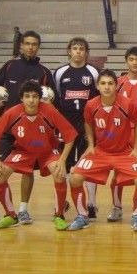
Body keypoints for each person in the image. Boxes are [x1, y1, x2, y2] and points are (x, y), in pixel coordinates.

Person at [0, 30, 59, 226]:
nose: (31, 47)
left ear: (38, 47)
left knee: (28, 170)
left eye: (34, 44)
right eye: (27, 43)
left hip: (31, 130)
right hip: (7, 129)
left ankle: (23, 210)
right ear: (22, 45)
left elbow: (54, 99)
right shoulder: (10, 66)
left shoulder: (43, 72)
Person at [67, 69, 137, 231]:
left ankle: (136, 216)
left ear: (116, 86)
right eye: (103, 83)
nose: (107, 87)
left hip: (124, 152)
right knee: (75, 178)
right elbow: (88, 123)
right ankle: (82, 216)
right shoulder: (91, 105)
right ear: (97, 86)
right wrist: (90, 145)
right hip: (101, 152)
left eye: (110, 83)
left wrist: (136, 148)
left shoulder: (127, 104)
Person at [0, 81, 77, 230]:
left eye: (35, 96)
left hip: (48, 151)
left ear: (39, 98)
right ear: (21, 98)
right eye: (27, 96)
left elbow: (71, 136)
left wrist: (62, 160)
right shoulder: (12, 112)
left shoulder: (49, 111)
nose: (31, 100)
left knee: (59, 174)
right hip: (23, 151)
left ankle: (59, 215)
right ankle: (11, 216)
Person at [107, 46, 137, 222]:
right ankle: (116, 207)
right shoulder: (118, 82)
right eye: (131, 59)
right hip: (121, 134)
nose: (134, 63)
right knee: (117, 171)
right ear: (126, 61)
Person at [54, 37, 99, 220]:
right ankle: (61, 202)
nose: (78, 51)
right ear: (69, 51)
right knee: (63, 165)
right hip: (65, 127)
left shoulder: (94, 72)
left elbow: (98, 98)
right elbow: (56, 98)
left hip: (86, 127)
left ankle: (92, 204)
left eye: (81, 48)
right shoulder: (60, 72)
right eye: (74, 48)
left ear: (86, 52)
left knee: (88, 165)